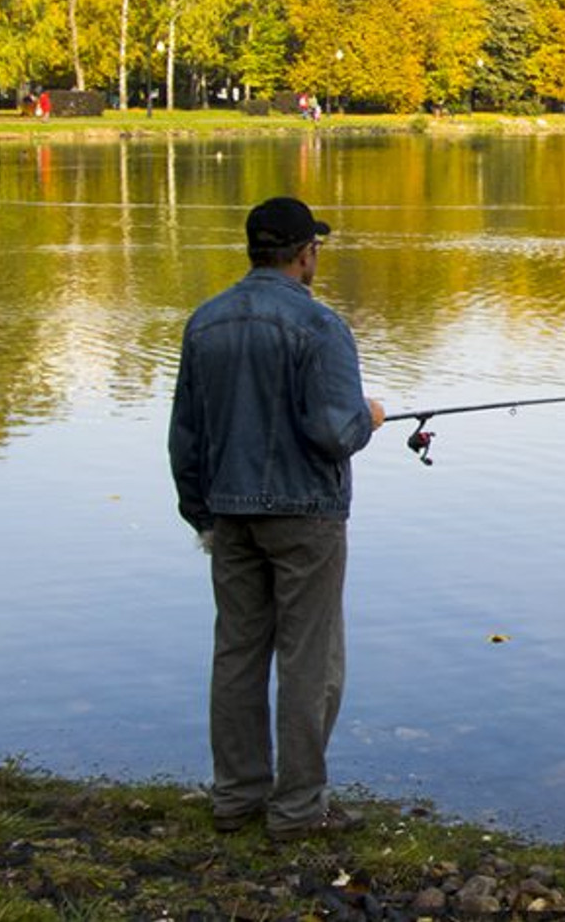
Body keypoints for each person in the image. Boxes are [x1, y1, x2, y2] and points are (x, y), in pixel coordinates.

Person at [169, 196, 386, 839]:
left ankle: (236, 797)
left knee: (236, 654)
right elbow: (334, 431)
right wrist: (368, 418)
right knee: (308, 661)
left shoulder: (204, 323)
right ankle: (297, 809)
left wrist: (200, 514)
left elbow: (186, 435)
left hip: (228, 513)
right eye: (315, 247)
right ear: (304, 252)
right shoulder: (320, 328)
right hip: (307, 517)